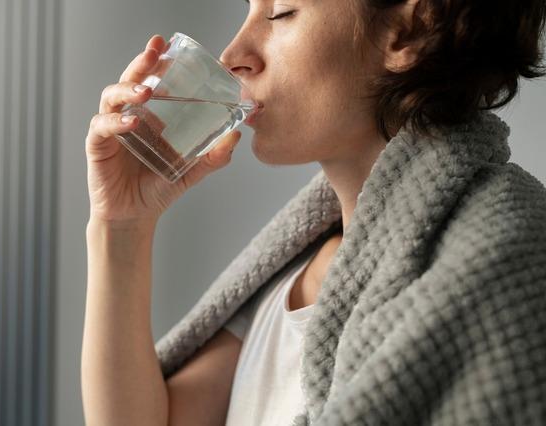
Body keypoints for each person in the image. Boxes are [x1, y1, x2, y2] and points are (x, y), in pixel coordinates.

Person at [81, 0, 546, 424]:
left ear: (409, 33)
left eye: (280, 12)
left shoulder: (504, 256)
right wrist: (120, 225)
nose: (232, 55)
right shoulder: (293, 278)